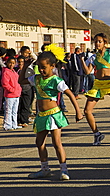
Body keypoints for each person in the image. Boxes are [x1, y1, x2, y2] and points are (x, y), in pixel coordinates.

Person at [27, 45, 83, 180]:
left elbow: (70, 94)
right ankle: (44, 169)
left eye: (43, 67)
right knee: (39, 142)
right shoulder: (37, 78)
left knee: (57, 143)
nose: (41, 70)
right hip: (41, 115)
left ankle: (64, 170)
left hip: (53, 115)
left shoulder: (56, 81)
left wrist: (78, 111)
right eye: (39, 67)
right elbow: (21, 80)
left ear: (52, 66)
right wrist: (26, 65)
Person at [1, 57, 22, 131]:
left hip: (16, 94)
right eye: (10, 63)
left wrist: (19, 90)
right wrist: (12, 90)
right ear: (7, 62)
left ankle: (14, 124)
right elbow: (5, 84)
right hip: (10, 94)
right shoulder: (6, 72)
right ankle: (7, 125)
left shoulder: (14, 71)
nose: (11, 65)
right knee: (8, 110)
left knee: (14, 111)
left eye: (13, 63)